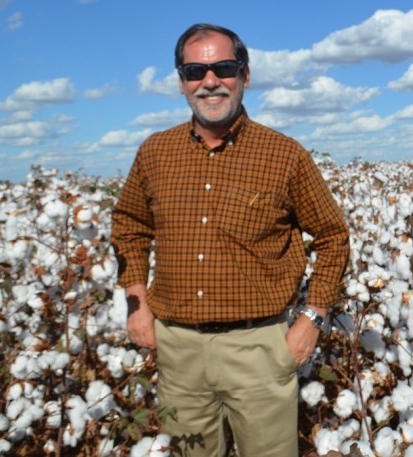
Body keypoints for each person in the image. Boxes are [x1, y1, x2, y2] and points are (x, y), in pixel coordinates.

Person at [110, 23, 350, 457]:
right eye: (195, 70)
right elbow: (129, 225)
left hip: (259, 348)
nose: (210, 81)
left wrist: (311, 320)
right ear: (181, 81)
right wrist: (135, 301)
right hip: (178, 349)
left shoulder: (284, 155)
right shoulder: (154, 153)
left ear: (245, 75)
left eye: (223, 67)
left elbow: (333, 235)